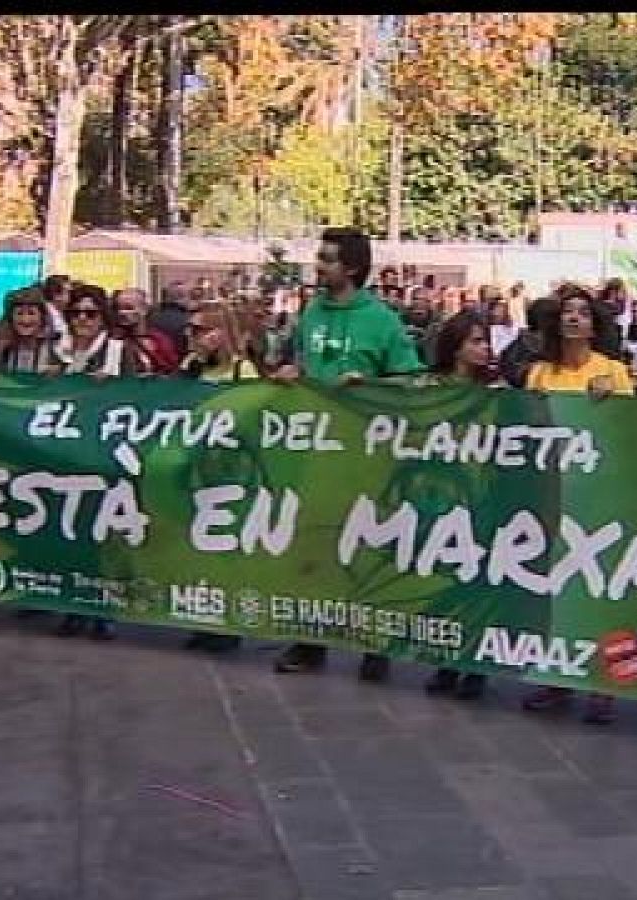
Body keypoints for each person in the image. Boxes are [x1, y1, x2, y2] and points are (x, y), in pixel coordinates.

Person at [272, 227, 426, 680]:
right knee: (313, 545)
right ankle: (310, 641)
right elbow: (301, 365)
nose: (318, 266)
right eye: (319, 257)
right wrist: (289, 373)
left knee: (368, 545)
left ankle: (375, 644)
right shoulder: (310, 313)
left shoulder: (382, 320)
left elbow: (412, 380)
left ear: (353, 267)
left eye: (328, 258)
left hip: (368, 455)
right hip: (314, 451)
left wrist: (369, 385)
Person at [519, 284, 633, 726]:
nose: (574, 318)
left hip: (597, 494)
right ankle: (557, 675)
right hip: (550, 491)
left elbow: (633, 429)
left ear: (594, 325)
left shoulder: (613, 372)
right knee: (554, 587)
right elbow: (526, 425)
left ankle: (604, 683)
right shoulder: (539, 373)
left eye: (583, 313)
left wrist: (608, 402)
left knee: (599, 587)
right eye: (567, 311)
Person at [177, 302, 261, 655]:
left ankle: (227, 624)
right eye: (190, 329)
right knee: (199, 546)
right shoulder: (194, 368)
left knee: (225, 546)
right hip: (198, 469)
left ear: (219, 333)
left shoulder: (243, 369)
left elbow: (254, 413)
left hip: (232, 472)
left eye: (199, 330)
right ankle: (203, 617)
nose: (191, 337)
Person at [421, 310, 496, 701]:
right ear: (455, 346)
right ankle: (447, 659)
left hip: (483, 496)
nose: (484, 349)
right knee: (447, 579)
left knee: (478, 581)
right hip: (440, 497)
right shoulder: (427, 387)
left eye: (486, 341)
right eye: (475, 341)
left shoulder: (497, 389)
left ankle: (476, 665)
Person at [50, 285, 126, 641]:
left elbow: (143, 395)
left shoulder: (117, 351)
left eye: (91, 313)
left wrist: (113, 386)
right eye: (76, 313)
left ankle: (104, 609)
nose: (83, 319)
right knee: (69, 531)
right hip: (64, 455)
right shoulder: (59, 350)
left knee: (104, 535)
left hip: (104, 455)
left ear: (103, 317)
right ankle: (73, 605)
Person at [0, 287, 59, 373]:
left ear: (42, 317)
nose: (25, 320)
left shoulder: (54, 346)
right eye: (19, 313)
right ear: (11, 318)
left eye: (31, 313)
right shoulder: (4, 344)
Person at [114, 287, 179, 376]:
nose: (121, 313)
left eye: (129, 308)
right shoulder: (115, 340)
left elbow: (173, 371)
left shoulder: (160, 340)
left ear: (144, 310)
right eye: (119, 308)